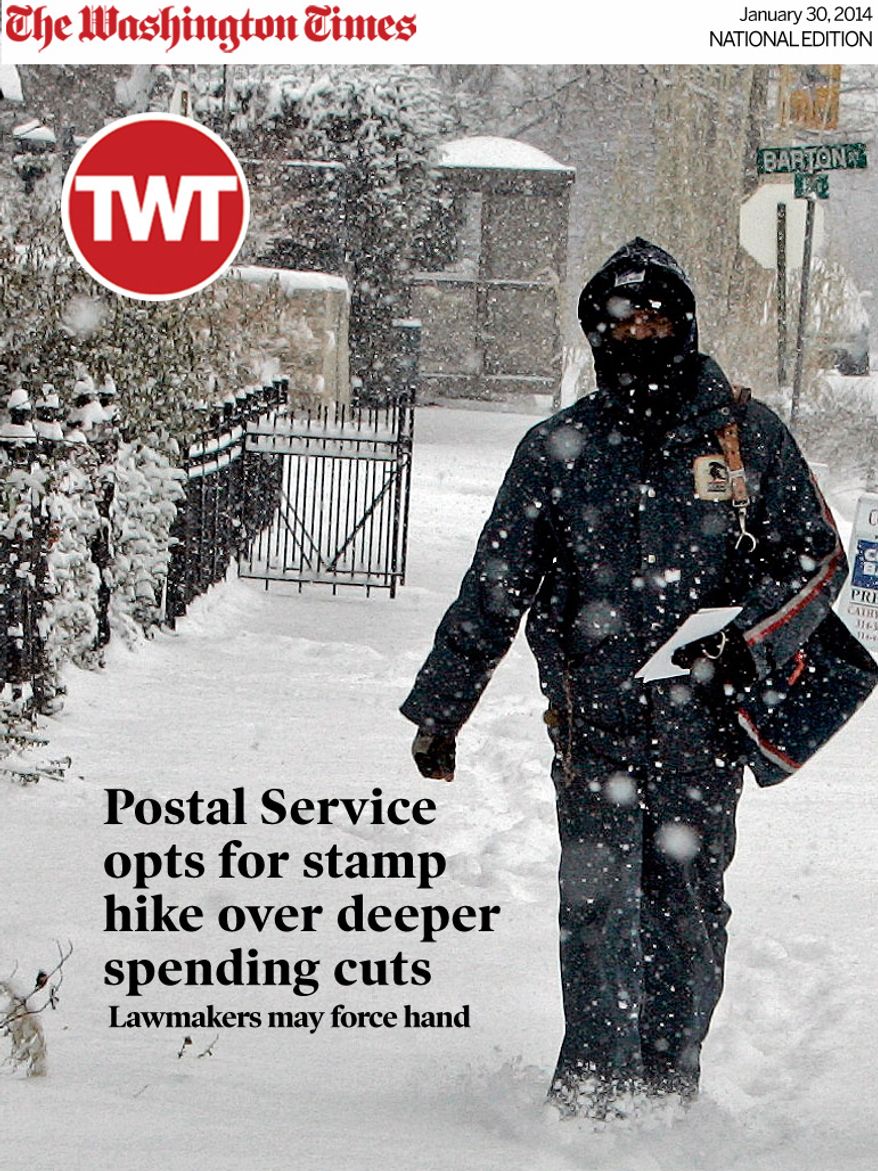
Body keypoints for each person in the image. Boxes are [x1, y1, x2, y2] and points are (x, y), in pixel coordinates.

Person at [400, 238, 847, 1118]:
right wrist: (442, 708)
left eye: (657, 317)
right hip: (593, 726)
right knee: (598, 908)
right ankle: (594, 1093)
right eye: (622, 319)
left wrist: (746, 643)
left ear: (684, 323)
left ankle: (667, 1090)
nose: (640, 333)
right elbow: (496, 586)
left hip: (704, 729)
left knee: (686, 909)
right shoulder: (559, 448)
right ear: (596, 332)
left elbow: (815, 560)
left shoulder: (745, 436)